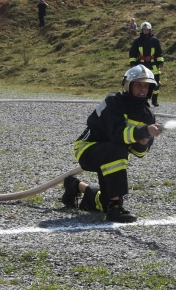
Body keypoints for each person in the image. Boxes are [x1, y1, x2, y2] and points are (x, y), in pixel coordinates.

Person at [61, 65, 163, 223]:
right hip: (88, 149)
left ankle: (75, 186)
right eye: (138, 85)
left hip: (111, 156)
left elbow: (140, 153)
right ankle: (115, 208)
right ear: (128, 86)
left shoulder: (147, 115)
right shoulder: (114, 102)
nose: (142, 89)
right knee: (117, 148)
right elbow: (117, 135)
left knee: (103, 203)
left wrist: (142, 143)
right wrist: (143, 132)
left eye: (146, 86)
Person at [128, 22, 164, 107]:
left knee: (156, 84)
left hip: (153, 65)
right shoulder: (137, 41)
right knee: (143, 84)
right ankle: (144, 101)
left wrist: (160, 62)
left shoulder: (155, 40)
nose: (146, 31)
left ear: (150, 30)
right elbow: (132, 53)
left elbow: (159, 52)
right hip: (141, 66)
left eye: (147, 29)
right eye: (144, 29)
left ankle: (154, 100)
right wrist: (133, 63)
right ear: (142, 30)